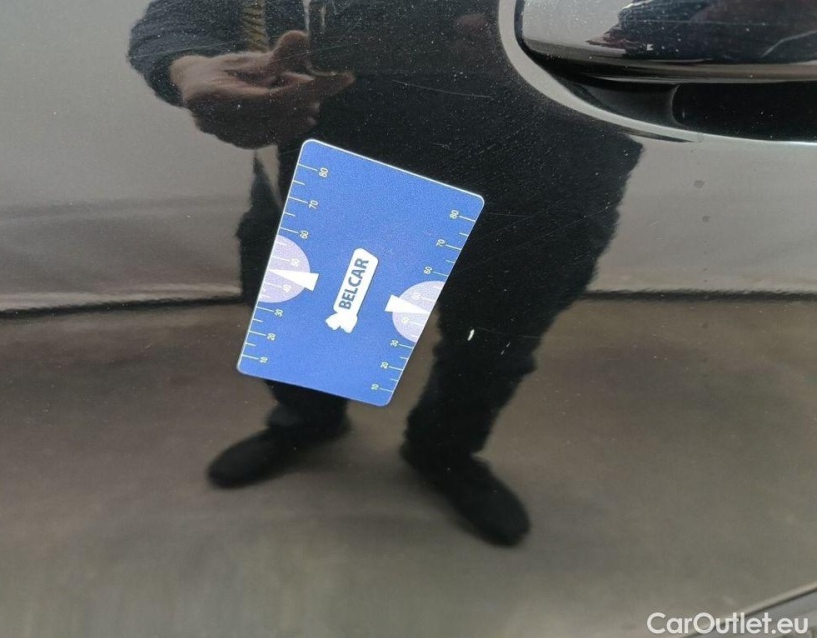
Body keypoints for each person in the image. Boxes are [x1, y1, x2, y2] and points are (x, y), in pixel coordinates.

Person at [128, 0, 642, 546]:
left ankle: (442, 452)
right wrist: (186, 64)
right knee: (314, 333)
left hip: (551, 174)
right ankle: (310, 424)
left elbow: (678, 28)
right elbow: (184, 13)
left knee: (494, 344)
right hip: (353, 157)